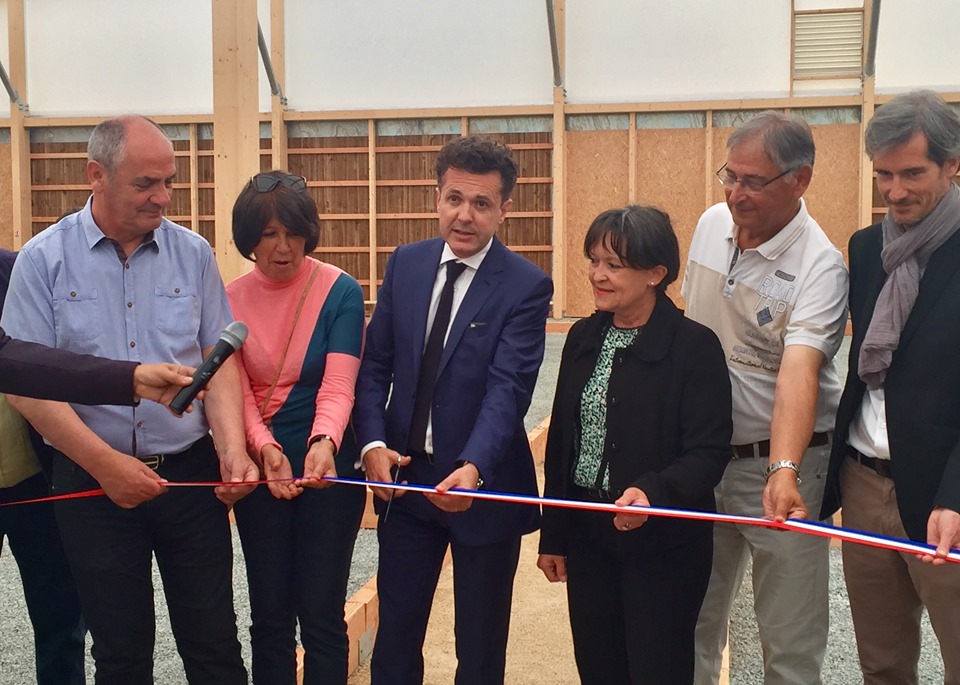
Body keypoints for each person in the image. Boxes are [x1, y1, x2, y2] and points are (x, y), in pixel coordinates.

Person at [0, 115, 258, 685]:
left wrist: (233, 449)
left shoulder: (192, 254)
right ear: (96, 174)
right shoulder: (43, 261)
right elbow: (26, 383)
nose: (162, 196)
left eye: (169, 181)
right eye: (146, 183)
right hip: (90, 482)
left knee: (214, 642)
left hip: (191, 477)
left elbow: (219, 361)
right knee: (119, 653)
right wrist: (106, 467)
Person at [354, 135, 553, 684]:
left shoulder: (525, 286)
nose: (465, 215)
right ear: (437, 197)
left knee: (480, 646)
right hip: (407, 481)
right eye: (454, 199)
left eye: (482, 203)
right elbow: (374, 368)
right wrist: (371, 445)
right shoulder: (407, 264)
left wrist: (476, 465)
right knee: (395, 637)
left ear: (503, 210)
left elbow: (508, 388)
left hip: (482, 486)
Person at [683, 111, 848, 685]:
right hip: (701, 463)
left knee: (789, 643)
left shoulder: (821, 267)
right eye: (730, 175)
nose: (736, 193)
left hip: (782, 473)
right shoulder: (710, 224)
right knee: (690, 625)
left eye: (754, 182)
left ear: (800, 180)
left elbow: (799, 374)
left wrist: (784, 469)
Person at [537, 206, 732, 684]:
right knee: (599, 668)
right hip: (588, 537)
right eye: (593, 260)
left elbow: (709, 452)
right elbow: (564, 440)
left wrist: (653, 492)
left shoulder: (694, 347)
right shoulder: (583, 336)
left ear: (655, 274)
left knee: (655, 669)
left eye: (613, 265)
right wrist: (554, 535)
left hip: (663, 545)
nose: (596, 275)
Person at [820, 90, 960, 684]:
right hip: (864, 481)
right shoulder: (866, 248)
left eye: (912, 173)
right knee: (880, 664)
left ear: (954, 165)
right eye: (883, 174)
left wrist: (955, 494)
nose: (895, 191)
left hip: (944, 495)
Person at [226, 170, 366, 684]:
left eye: (293, 233)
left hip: (326, 466)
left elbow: (339, 383)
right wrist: (264, 449)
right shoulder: (229, 297)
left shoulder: (340, 291)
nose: (283, 247)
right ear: (249, 239)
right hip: (263, 468)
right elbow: (234, 389)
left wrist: (324, 441)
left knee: (323, 616)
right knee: (269, 616)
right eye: (268, 234)